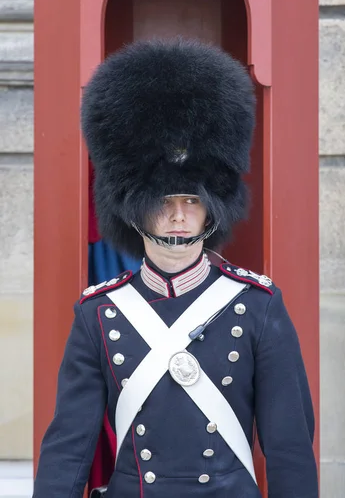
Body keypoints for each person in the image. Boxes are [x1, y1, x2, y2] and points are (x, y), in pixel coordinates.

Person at [33, 38, 318, 498]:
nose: (179, 216)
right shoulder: (98, 313)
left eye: (192, 201)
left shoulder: (257, 305)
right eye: (162, 202)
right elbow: (68, 447)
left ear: (212, 209)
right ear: (132, 209)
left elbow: (288, 449)